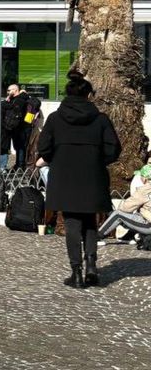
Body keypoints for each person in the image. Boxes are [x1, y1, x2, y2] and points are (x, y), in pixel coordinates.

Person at [39, 71, 121, 289]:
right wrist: (97, 159)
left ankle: (76, 272)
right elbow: (114, 148)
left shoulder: (55, 118)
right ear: (88, 95)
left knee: (72, 222)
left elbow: (43, 148)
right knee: (90, 221)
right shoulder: (101, 119)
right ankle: (91, 266)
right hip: (92, 175)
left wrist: (55, 158)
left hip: (64, 175)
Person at [2, 84, 32, 172]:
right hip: (18, 127)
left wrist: (6, 103)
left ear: (15, 90)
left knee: (20, 147)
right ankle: (18, 165)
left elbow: (15, 109)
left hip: (21, 127)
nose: (7, 92)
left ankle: (20, 166)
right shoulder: (16, 99)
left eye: (9, 90)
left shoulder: (20, 99)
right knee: (18, 147)